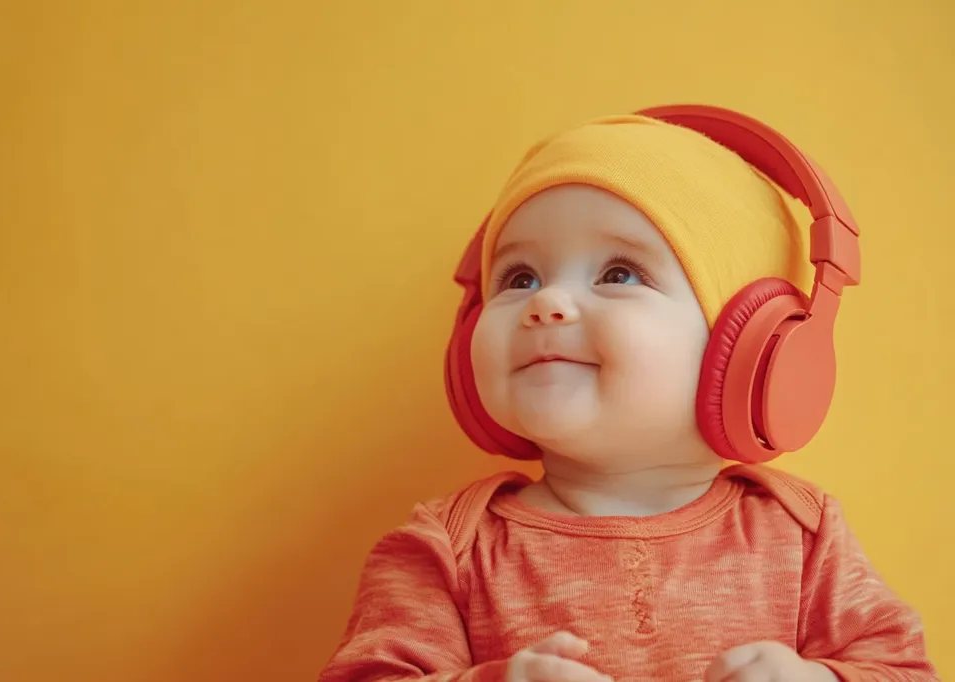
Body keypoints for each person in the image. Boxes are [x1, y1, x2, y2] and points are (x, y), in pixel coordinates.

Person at [317, 106, 938, 682]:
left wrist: (819, 679)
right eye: (518, 276)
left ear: (753, 348)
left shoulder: (803, 536)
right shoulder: (447, 548)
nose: (546, 303)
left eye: (619, 273)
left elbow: (906, 671)